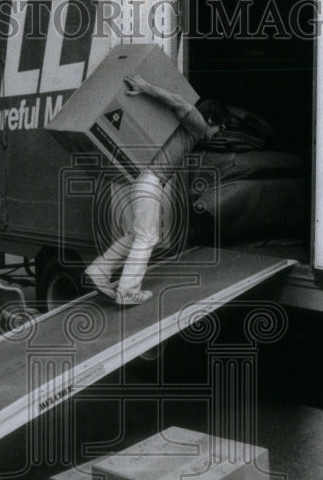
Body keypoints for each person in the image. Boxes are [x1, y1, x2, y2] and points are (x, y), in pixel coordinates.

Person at [84, 72, 225, 306]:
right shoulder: (199, 124)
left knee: (135, 234)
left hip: (141, 179)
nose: (217, 136)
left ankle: (99, 271)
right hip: (150, 181)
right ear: (212, 121)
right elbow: (179, 101)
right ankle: (128, 290)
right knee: (148, 237)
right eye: (219, 129)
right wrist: (146, 87)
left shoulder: (188, 131)